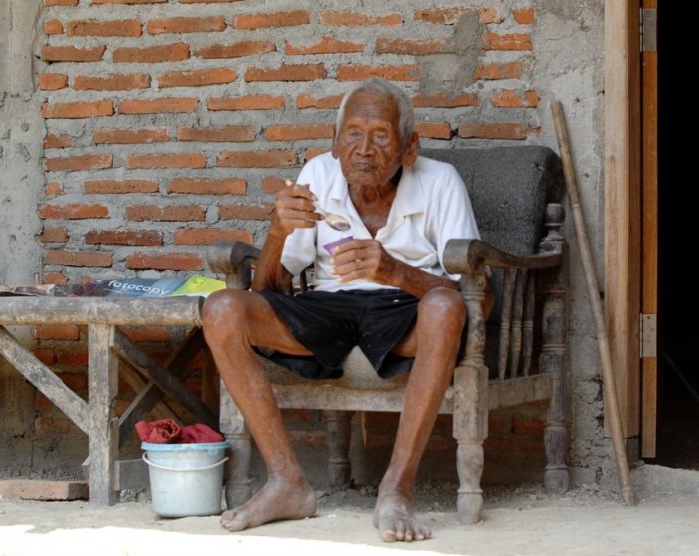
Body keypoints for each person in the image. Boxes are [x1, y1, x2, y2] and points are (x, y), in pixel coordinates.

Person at [201, 78, 490, 542]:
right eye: (352, 133)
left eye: (380, 135)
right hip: (325, 305)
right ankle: (287, 483)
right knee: (221, 309)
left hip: (406, 306)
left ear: (409, 147)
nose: (364, 148)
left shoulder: (440, 183)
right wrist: (276, 233)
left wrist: (397, 272)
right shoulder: (317, 174)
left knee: (443, 306)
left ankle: (396, 489)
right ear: (335, 145)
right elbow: (270, 290)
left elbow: (477, 297)